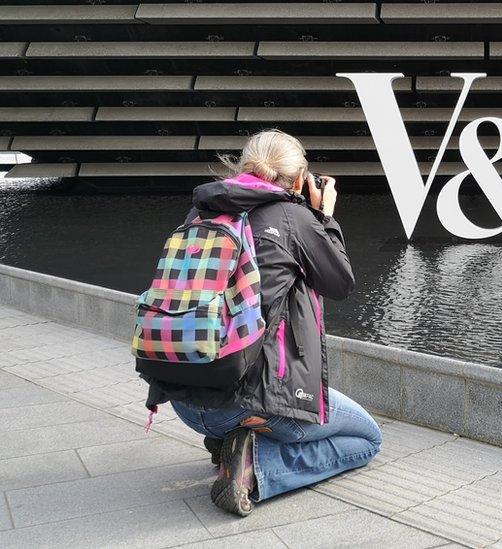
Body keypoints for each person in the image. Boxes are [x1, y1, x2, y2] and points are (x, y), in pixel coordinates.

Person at [140, 129, 382, 516]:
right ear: (302, 179)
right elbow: (341, 282)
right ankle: (254, 468)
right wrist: (324, 217)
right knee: (367, 438)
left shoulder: (202, 211)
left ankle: (229, 441)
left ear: (243, 165)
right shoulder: (294, 216)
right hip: (250, 400)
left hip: (183, 397)